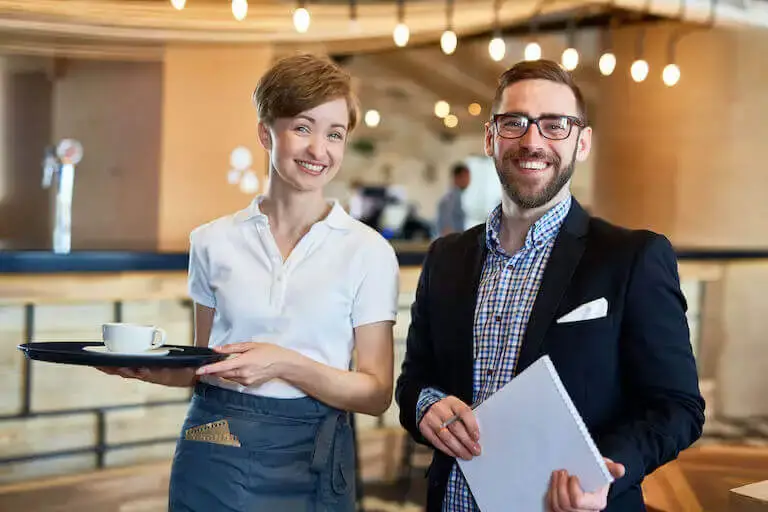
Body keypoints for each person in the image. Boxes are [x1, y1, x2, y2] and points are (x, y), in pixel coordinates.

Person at [395, 59, 705, 512]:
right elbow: (414, 381)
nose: (532, 140)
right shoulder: (445, 259)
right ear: (490, 138)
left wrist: (607, 467)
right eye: (514, 122)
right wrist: (424, 405)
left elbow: (677, 406)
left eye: (555, 125)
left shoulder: (632, 258)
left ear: (582, 143)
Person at [100, 53, 400, 511]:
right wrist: (137, 366)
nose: (319, 149)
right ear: (266, 132)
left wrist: (284, 364)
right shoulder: (211, 241)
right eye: (302, 127)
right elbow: (202, 365)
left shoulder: (368, 251)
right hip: (214, 439)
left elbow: (377, 393)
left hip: (313, 454)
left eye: (334, 134)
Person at [435, 162, 471, 236]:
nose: (468, 181)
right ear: (457, 177)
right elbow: (446, 229)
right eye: (466, 177)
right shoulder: (451, 198)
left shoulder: (457, 197)